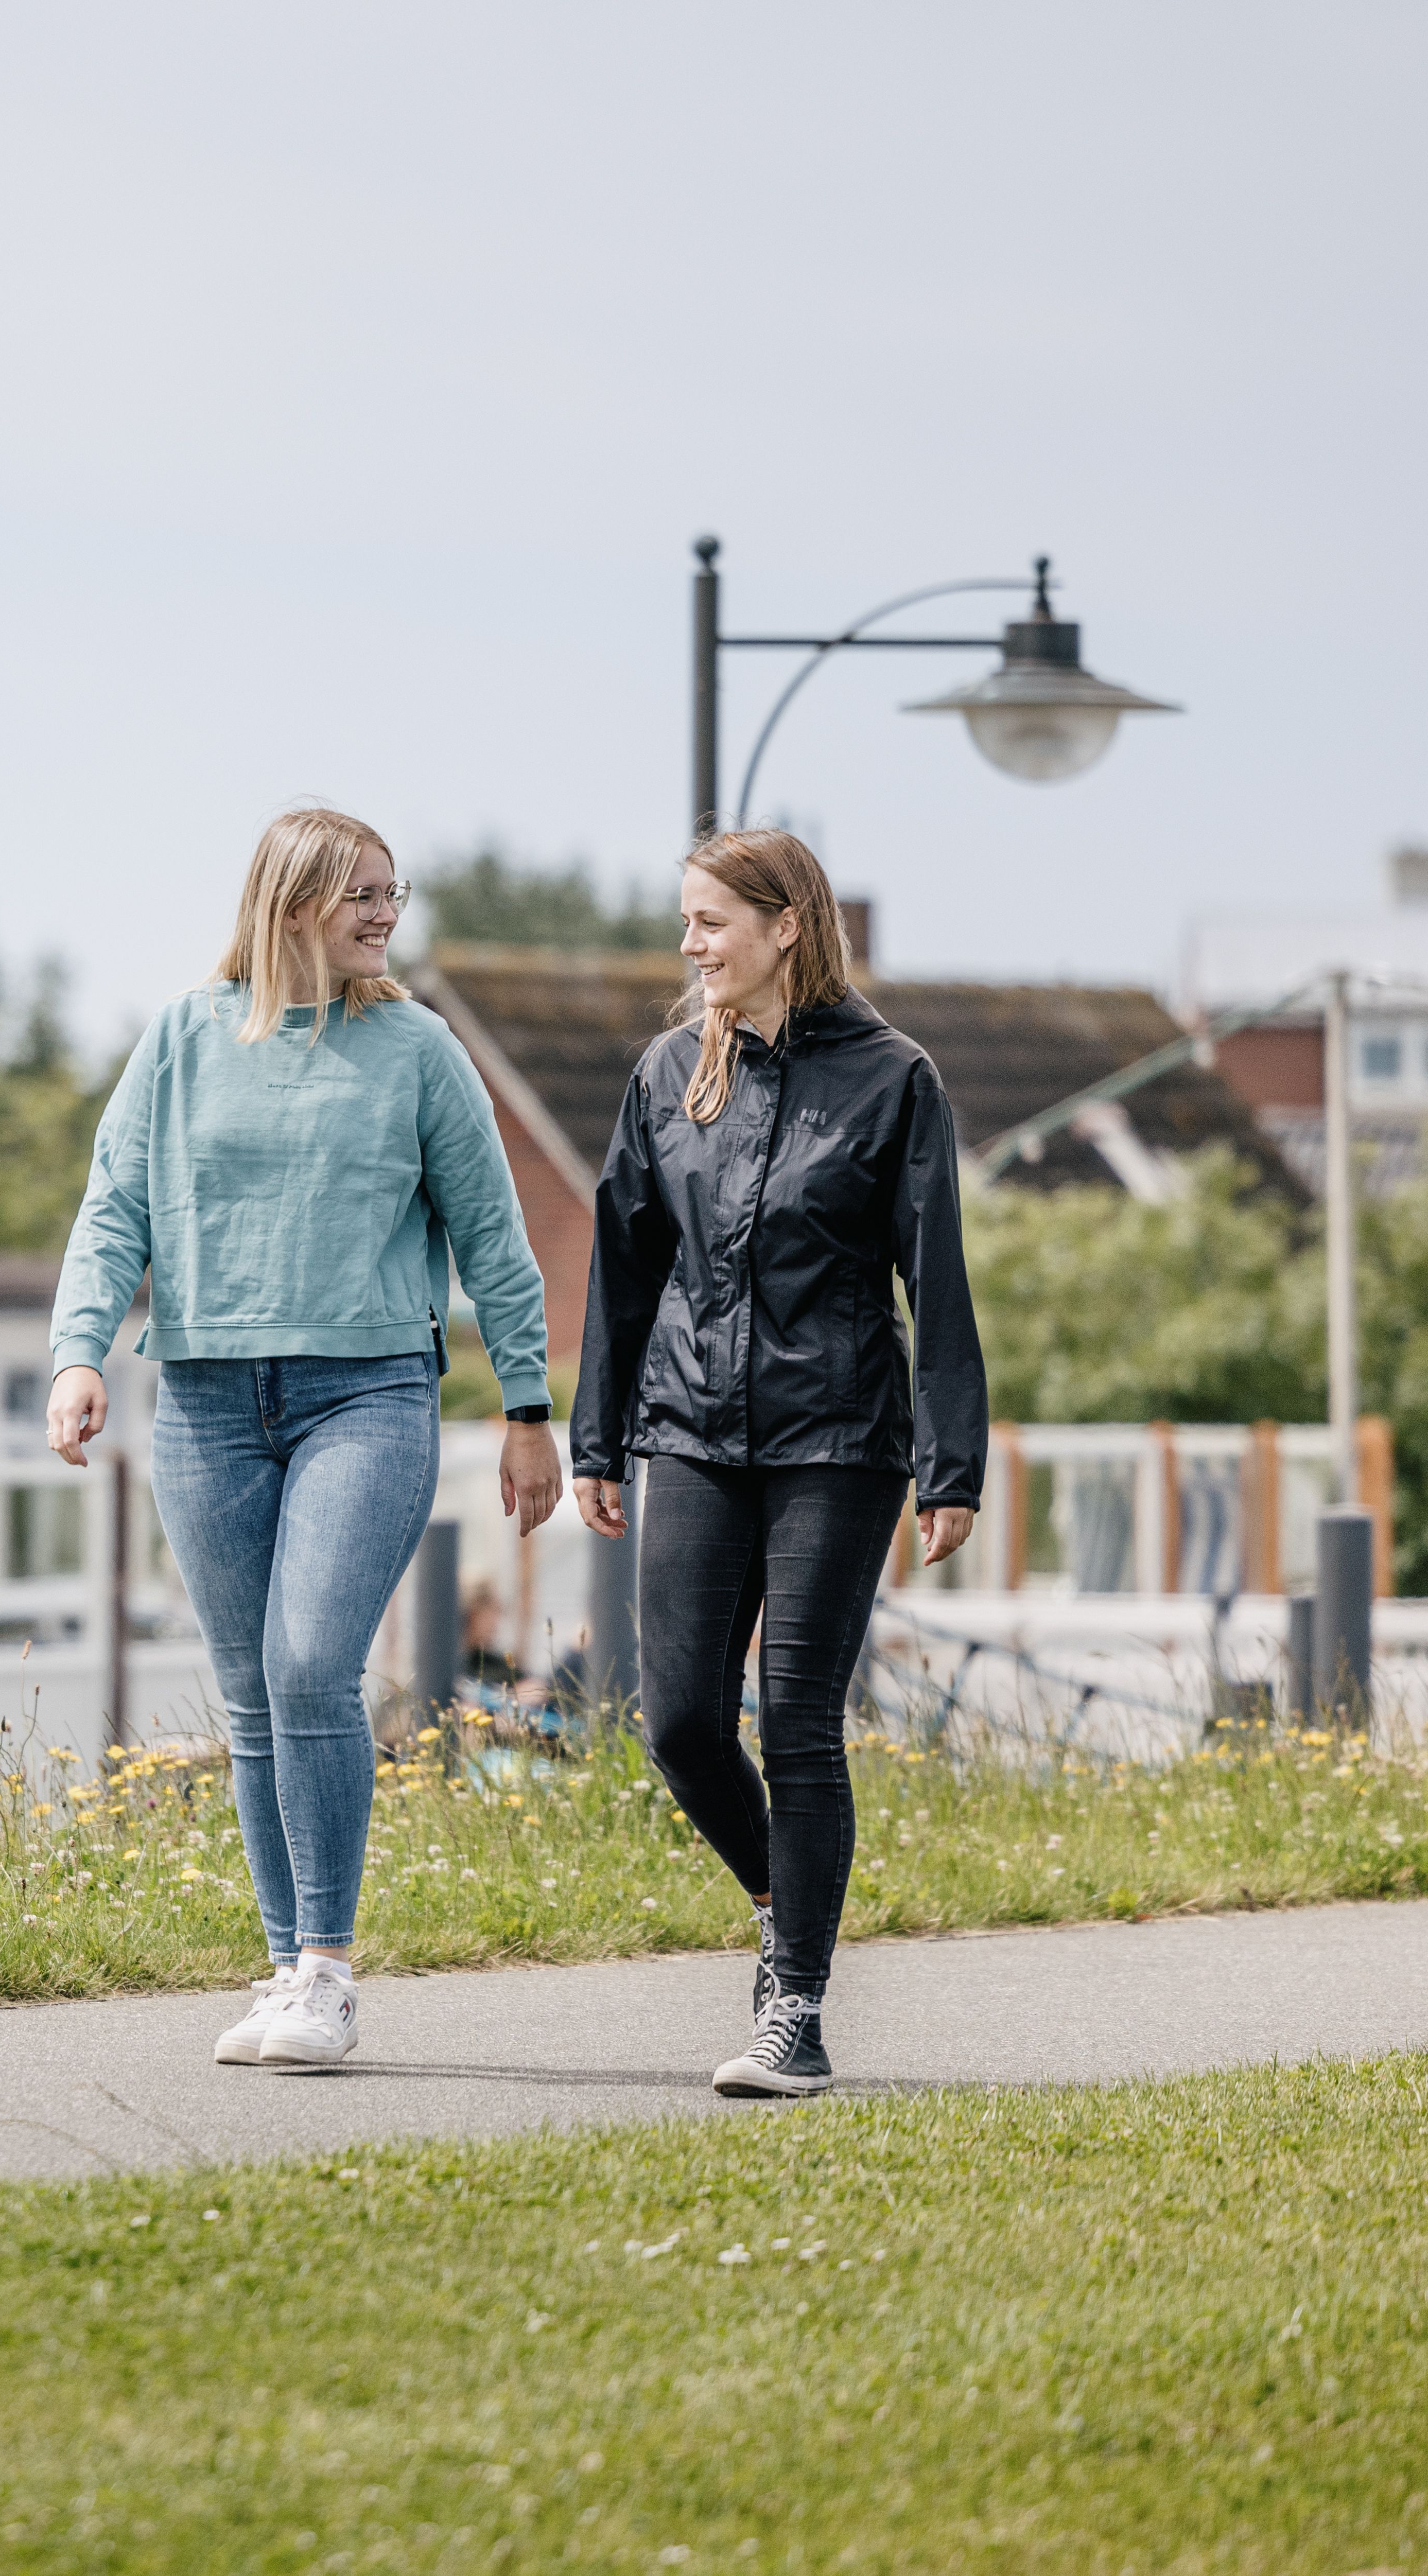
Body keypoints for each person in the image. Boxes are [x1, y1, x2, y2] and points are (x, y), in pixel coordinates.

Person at [46, 804, 560, 2071]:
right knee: (251, 1694)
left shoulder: (419, 1050)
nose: (388, 914)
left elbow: (495, 1235)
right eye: (362, 896)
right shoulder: (180, 1036)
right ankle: (282, 1969)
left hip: (367, 1394)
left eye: (394, 891)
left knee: (311, 1662)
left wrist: (530, 1407)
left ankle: (326, 1971)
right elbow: (114, 1204)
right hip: (208, 1402)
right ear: (287, 906)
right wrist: (77, 1350)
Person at [567, 829, 987, 2099]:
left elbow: (939, 1277)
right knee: (681, 1719)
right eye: (686, 924)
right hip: (687, 1429)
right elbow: (623, 1263)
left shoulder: (893, 1078)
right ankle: (781, 1897)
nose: (689, 947)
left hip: (840, 1440)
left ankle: (792, 2004)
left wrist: (948, 1459)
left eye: (709, 923)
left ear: (784, 925)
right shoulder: (665, 1072)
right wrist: (596, 1432)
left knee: (799, 1721)